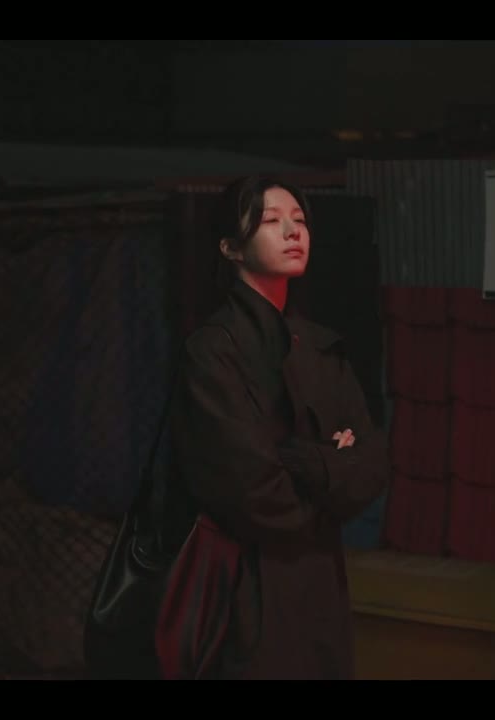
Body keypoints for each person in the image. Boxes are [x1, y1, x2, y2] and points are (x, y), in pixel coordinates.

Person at [156, 175, 390, 679]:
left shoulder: (321, 346)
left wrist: (303, 461)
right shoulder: (213, 352)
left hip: (320, 577)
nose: (292, 231)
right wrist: (331, 469)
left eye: (299, 220)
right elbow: (249, 486)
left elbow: (371, 464)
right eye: (270, 221)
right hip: (246, 581)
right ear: (231, 247)